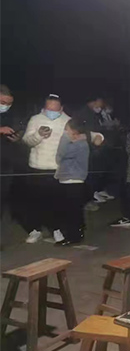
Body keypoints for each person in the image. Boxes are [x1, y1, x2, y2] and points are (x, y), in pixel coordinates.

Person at [21, 94, 71, 244]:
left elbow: (79, 137)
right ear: (44, 108)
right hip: (37, 167)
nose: (51, 113)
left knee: (57, 202)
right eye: (48, 109)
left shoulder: (68, 121)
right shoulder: (35, 119)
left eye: (55, 110)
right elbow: (27, 141)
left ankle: (56, 229)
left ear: (61, 109)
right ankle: (35, 230)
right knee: (35, 201)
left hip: (58, 168)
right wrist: (39, 135)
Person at [54, 118, 90, 245]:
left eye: (67, 129)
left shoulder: (78, 145)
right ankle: (77, 232)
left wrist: (64, 137)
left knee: (71, 210)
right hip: (72, 179)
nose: (65, 132)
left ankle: (73, 236)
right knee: (74, 209)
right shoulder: (80, 143)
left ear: (74, 131)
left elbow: (60, 155)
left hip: (72, 180)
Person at [0, 85, 20, 215]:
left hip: (5, 162)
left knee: (2, 194)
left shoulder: (10, 115)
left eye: (9, 104)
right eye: (2, 102)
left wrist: (16, 138)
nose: (6, 106)